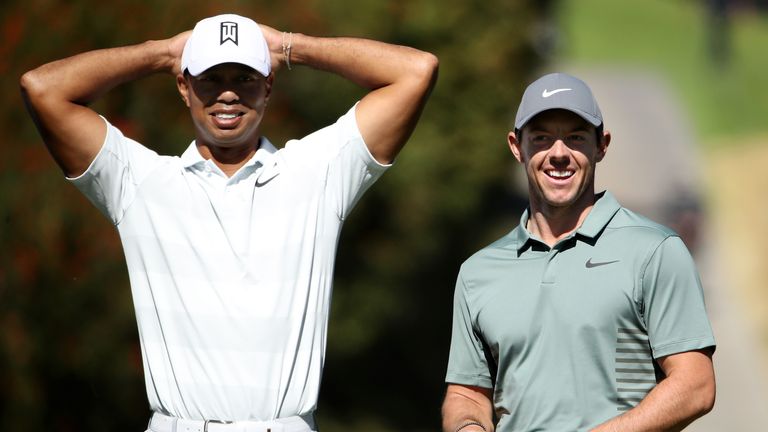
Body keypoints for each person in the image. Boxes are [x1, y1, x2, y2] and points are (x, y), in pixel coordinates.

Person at [20, 13, 437, 432]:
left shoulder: (316, 172)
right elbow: (43, 88)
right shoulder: (141, 181)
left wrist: (290, 47)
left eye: (245, 78)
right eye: (210, 79)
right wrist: (163, 53)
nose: (228, 95)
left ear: (268, 84)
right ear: (184, 86)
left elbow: (416, 71)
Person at [441, 73, 715, 432]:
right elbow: (467, 393)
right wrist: (469, 426)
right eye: (541, 138)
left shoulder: (655, 251)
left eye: (575, 138)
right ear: (516, 146)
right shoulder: (478, 272)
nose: (558, 154)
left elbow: (696, 386)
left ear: (601, 145)